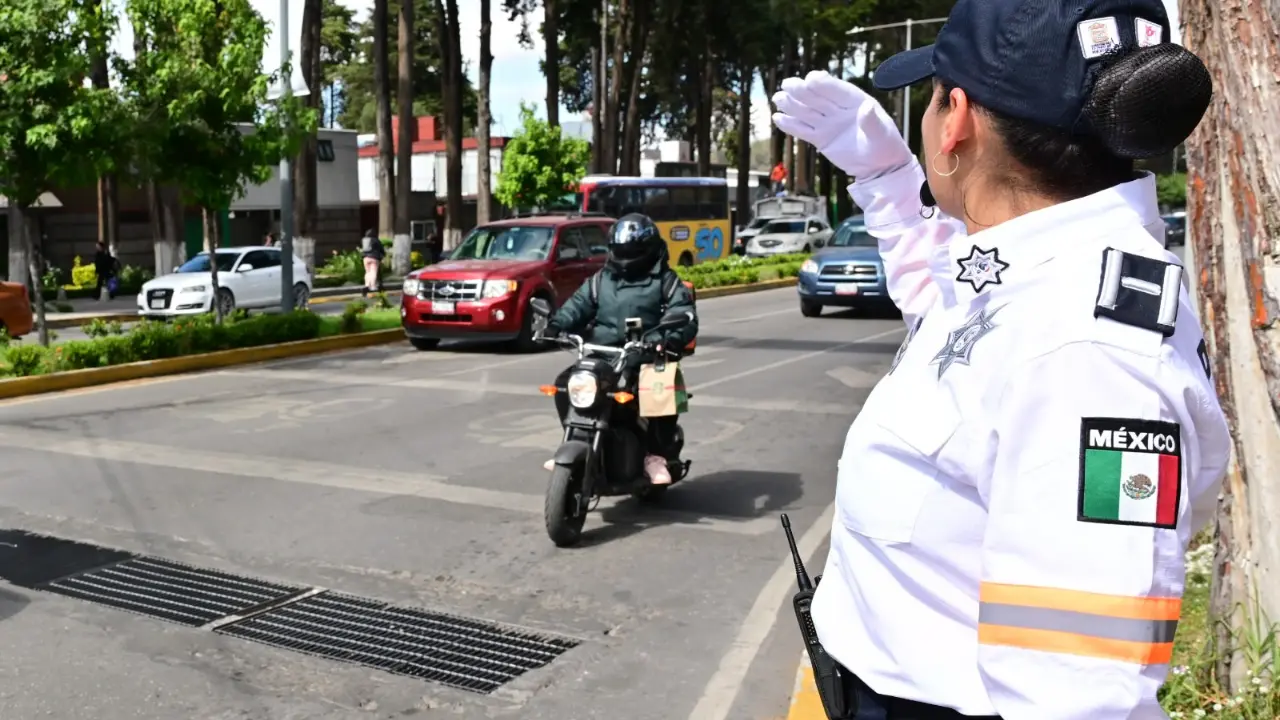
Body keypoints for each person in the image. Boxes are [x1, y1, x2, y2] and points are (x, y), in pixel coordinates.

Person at [770, 0, 1230, 717]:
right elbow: (949, 312)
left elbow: (1080, 694)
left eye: (929, 99)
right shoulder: (1038, 272)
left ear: (956, 120)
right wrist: (890, 180)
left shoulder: (1088, 354)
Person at [541, 213, 698, 484]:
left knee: (658, 386)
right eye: (622, 249)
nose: (627, 255)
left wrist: (666, 338)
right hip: (603, 352)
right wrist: (555, 325)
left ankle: (655, 455)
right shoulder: (601, 280)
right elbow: (577, 305)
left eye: (633, 250)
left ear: (647, 249)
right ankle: (574, 437)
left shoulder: (665, 280)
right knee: (566, 384)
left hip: (647, 354)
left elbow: (683, 312)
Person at [359, 229, 385, 296]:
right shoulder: (376, 240)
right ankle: (373, 287)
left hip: (365, 258)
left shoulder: (364, 240)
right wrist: (382, 256)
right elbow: (381, 249)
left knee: (368, 272)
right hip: (374, 258)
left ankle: (367, 285)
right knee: (373, 272)